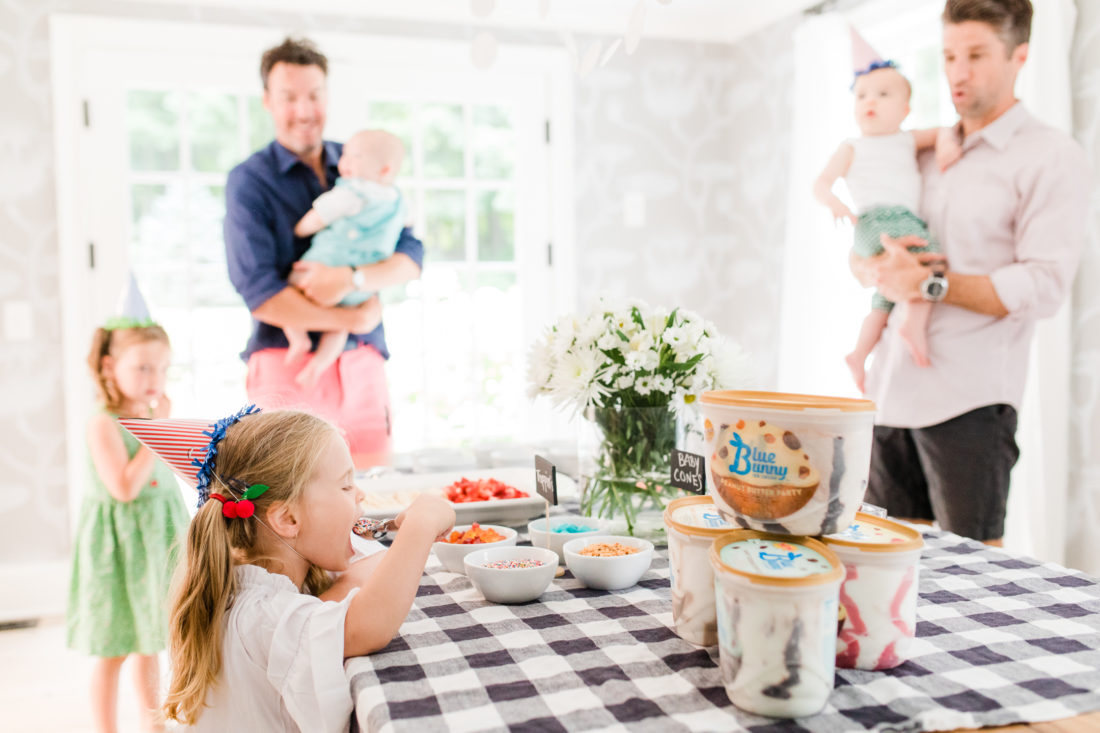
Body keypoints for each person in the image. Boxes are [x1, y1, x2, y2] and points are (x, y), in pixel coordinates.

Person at [855, 0, 1089, 545]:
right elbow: (871, 236)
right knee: (880, 566)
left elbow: (1044, 285)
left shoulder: (1051, 157)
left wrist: (930, 285)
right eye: (950, 55)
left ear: (1020, 56)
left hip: (970, 403)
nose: (958, 72)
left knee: (972, 575)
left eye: (977, 55)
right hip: (891, 395)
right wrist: (868, 265)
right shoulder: (922, 150)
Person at [149, 408, 454, 731]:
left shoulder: (257, 579)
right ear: (288, 520)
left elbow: (368, 569)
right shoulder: (258, 615)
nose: (361, 494)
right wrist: (420, 527)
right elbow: (366, 627)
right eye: (346, 486)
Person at [224, 37, 423, 468]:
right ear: (267, 101)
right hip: (285, 364)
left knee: (375, 500)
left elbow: (410, 258)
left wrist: (352, 280)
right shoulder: (249, 181)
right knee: (286, 512)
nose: (304, 109)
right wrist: (353, 316)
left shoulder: (362, 159)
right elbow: (260, 291)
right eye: (289, 97)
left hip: (363, 362)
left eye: (314, 95)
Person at [814, 29, 961, 393]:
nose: (870, 101)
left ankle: (859, 352)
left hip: (886, 225)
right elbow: (820, 183)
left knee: (883, 295)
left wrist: (944, 145)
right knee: (932, 260)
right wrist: (836, 204)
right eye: (862, 94)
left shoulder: (905, 139)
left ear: (905, 109)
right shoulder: (852, 146)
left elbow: (946, 129)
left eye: (883, 94)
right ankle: (914, 320)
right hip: (876, 220)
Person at [66, 316, 187, 733]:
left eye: (163, 368)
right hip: (119, 548)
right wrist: (156, 432)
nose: (155, 378)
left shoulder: (148, 416)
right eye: (143, 367)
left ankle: (154, 724)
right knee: (115, 647)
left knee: (150, 641)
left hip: (154, 542)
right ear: (108, 367)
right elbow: (124, 488)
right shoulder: (104, 422)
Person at [284, 128, 409, 389]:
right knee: (340, 324)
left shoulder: (353, 193)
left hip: (325, 265)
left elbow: (320, 214)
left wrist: (299, 229)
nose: (346, 162)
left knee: (289, 286)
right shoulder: (398, 201)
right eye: (345, 155)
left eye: (356, 156)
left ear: (383, 170)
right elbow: (408, 232)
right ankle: (318, 365)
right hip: (364, 284)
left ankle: (299, 339)